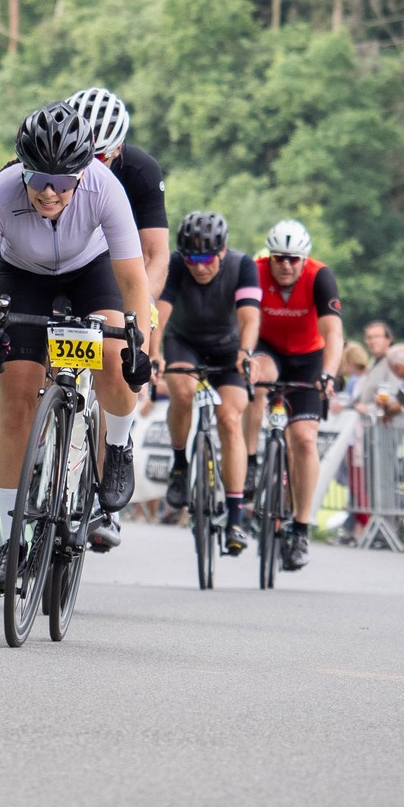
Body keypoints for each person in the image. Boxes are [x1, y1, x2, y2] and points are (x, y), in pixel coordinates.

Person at [0, 102, 155, 591]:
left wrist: (138, 346)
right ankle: (11, 542)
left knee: (113, 358)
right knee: (16, 399)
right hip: (23, 277)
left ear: (82, 172)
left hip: (90, 272)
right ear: (22, 169)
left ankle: (117, 445)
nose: (49, 192)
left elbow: (133, 281)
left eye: (63, 182)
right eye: (38, 179)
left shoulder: (105, 188)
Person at [156, 210, 260, 554]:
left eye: (206, 259)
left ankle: (235, 517)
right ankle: (180, 465)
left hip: (229, 348)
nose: (199, 267)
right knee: (182, 391)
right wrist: (153, 352)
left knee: (229, 418)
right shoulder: (176, 265)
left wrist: (246, 352)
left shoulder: (243, 265)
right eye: (192, 259)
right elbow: (161, 312)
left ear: (223, 251)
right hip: (184, 342)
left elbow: (249, 317)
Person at [244, 220, 344, 571]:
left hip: (308, 359)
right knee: (258, 379)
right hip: (268, 350)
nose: (286, 265)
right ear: (269, 256)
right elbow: (238, 319)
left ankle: (300, 528)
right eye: (279, 258)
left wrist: (329, 373)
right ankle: (251, 462)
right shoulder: (254, 271)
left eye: (294, 259)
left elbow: (334, 334)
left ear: (304, 259)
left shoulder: (320, 277)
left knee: (303, 440)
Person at [66, 88, 169, 297]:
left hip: (110, 267)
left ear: (118, 148)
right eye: (75, 155)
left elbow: (154, 255)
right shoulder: (42, 167)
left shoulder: (141, 171)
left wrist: (144, 304)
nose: (86, 167)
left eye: (98, 157)